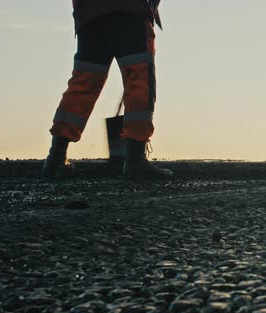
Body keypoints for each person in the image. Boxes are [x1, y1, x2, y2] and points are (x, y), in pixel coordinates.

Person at [42, 0, 172, 179]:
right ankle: (135, 159)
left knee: (84, 83)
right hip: (130, 12)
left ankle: (55, 158)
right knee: (139, 81)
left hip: (90, 14)